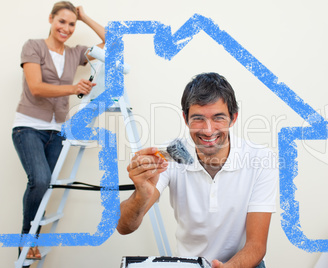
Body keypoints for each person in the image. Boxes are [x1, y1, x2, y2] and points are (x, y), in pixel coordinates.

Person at [117, 72, 278, 268]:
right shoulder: (170, 156)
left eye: (218, 117)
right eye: (198, 119)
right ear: (185, 119)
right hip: (189, 264)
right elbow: (124, 227)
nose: (208, 130)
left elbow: (256, 246)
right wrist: (142, 193)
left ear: (233, 118)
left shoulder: (260, 159)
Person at [12, 1, 105, 261]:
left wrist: (84, 16)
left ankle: (32, 240)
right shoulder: (33, 46)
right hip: (28, 127)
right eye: (61, 21)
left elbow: (112, 40)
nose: (66, 28)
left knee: (47, 187)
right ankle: (25, 241)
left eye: (71, 24)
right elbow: (37, 88)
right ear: (51, 19)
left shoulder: (75, 54)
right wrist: (74, 88)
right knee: (39, 180)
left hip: (57, 132)